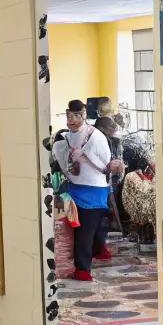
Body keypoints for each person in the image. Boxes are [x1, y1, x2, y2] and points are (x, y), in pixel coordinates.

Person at [51, 99, 112, 281]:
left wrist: (85, 156)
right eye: (70, 117)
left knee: (86, 230)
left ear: (84, 116)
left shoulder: (96, 137)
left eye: (77, 116)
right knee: (75, 230)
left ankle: (83, 269)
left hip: (94, 190)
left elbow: (106, 163)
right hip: (74, 188)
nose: (72, 121)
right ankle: (83, 262)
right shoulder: (65, 138)